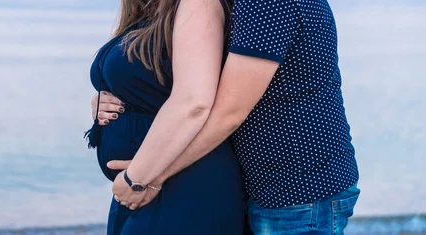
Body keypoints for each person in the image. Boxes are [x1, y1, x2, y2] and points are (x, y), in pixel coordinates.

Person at [92, 0, 361, 234]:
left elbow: (226, 111)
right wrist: (124, 101)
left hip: (299, 188)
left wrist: (150, 177)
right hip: (271, 184)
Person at [84, 0, 247, 234]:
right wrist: (110, 99)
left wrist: (137, 178)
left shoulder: (199, 4)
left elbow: (194, 103)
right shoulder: (149, 9)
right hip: (143, 186)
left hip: (185, 185)